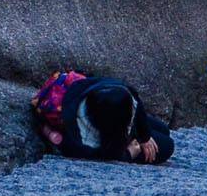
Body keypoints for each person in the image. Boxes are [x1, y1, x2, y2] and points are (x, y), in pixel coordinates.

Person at [32, 70, 174, 163]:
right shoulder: (83, 138)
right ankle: (130, 133)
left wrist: (144, 136)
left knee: (163, 129)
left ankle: (134, 131)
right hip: (102, 124)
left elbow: (132, 95)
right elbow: (97, 154)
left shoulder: (109, 92)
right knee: (167, 145)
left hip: (100, 109)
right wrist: (129, 154)